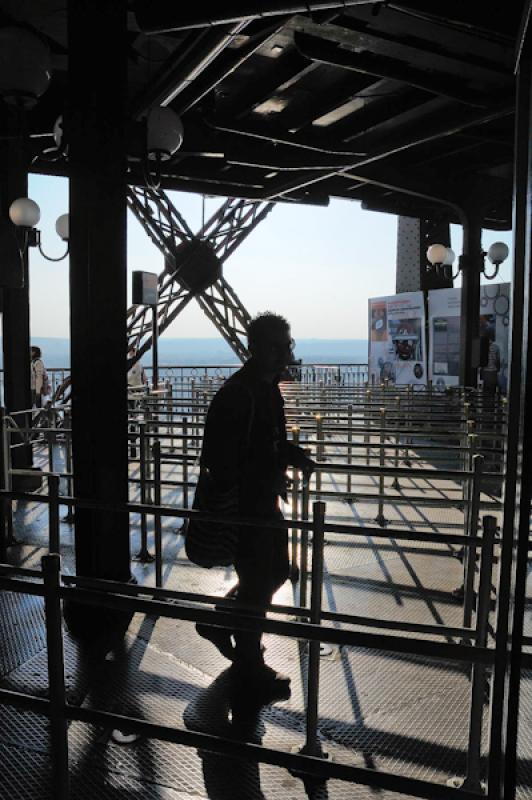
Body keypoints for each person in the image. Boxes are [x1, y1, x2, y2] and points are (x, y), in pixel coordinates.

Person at [195, 312, 315, 701]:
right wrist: (268, 470)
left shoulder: (261, 389)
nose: (285, 353)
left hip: (260, 502)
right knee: (262, 579)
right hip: (249, 508)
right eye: (277, 346)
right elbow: (223, 456)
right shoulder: (242, 393)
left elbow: (269, 441)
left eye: (287, 344)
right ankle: (248, 666)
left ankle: (222, 623)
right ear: (256, 348)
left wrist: (291, 455)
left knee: (269, 574)